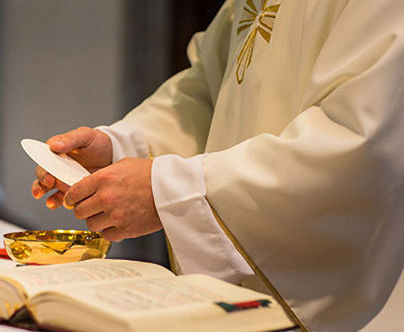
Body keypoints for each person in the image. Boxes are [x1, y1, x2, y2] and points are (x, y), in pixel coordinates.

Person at [31, 0, 404, 330]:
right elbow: (211, 92)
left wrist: (165, 188)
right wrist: (121, 148)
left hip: (348, 305)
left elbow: (360, 145)